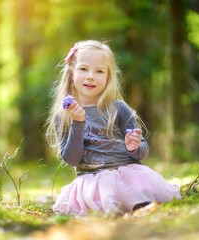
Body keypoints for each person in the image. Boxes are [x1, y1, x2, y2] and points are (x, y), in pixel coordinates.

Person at [45, 40, 181, 216]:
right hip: (93, 181)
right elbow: (72, 159)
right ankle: (114, 211)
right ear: (71, 73)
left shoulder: (118, 108)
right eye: (83, 69)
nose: (90, 76)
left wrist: (134, 147)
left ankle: (139, 207)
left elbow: (142, 150)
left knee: (132, 189)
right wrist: (77, 123)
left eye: (99, 71)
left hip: (127, 173)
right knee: (104, 201)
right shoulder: (63, 116)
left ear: (108, 77)